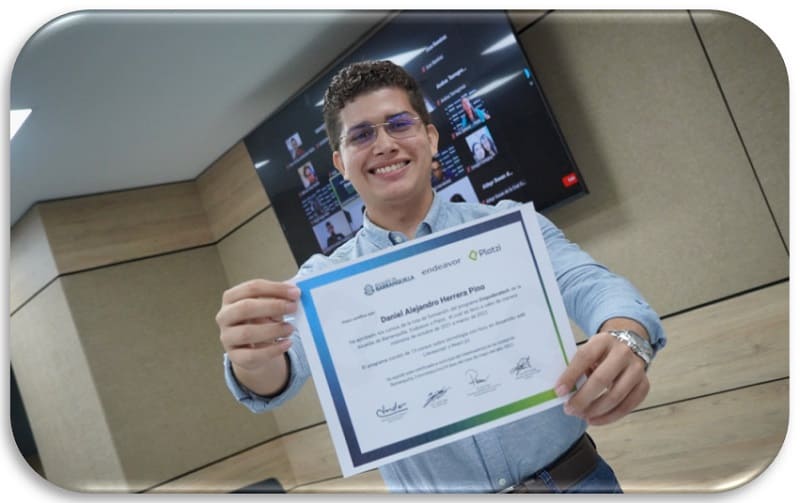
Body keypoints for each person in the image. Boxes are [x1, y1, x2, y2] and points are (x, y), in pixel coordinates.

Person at [216, 60, 666, 493]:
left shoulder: (511, 227)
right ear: (341, 164)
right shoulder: (321, 282)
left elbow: (588, 283)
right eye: (362, 135)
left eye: (399, 124)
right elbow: (279, 370)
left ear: (431, 138)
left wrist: (626, 334)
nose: (384, 144)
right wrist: (252, 357)